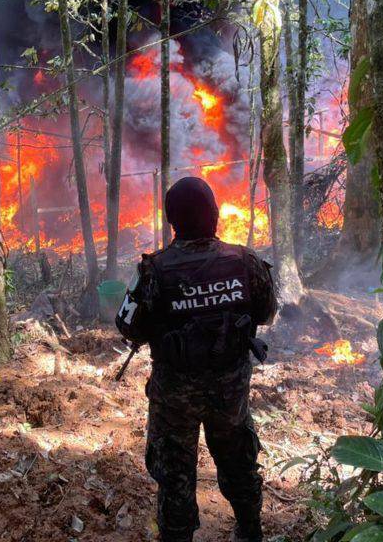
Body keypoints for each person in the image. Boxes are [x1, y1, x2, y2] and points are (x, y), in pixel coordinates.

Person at [116, 176, 278, 542]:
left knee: (175, 473)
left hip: (175, 397)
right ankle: (250, 531)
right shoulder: (245, 261)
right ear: (215, 213)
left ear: (172, 220)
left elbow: (128, 326)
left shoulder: (154, 271)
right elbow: (266, 312)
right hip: (230, 392)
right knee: (239, 461)